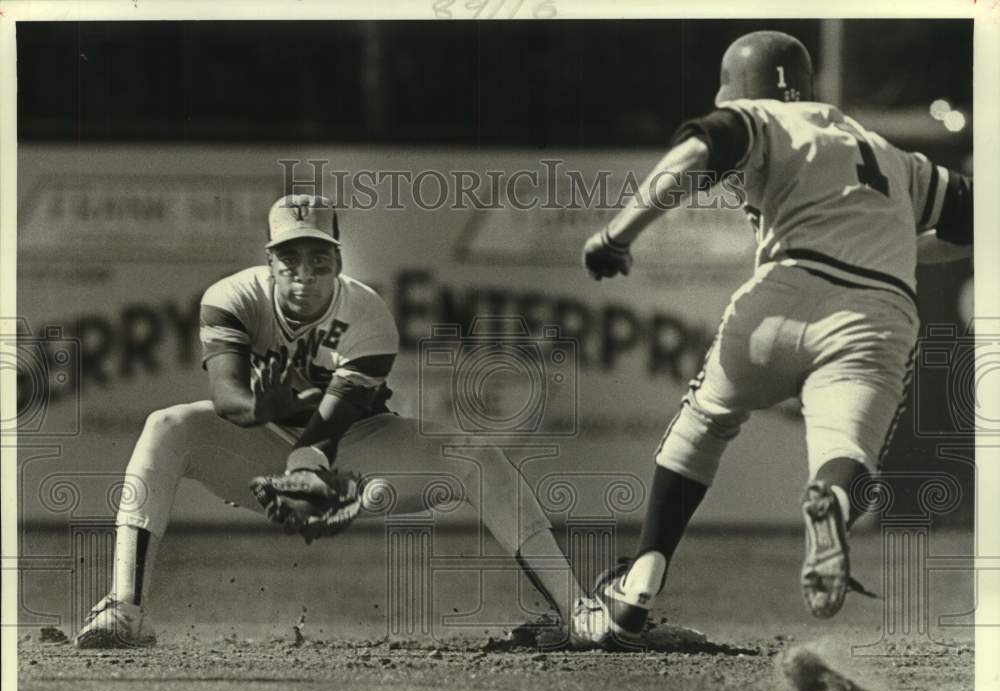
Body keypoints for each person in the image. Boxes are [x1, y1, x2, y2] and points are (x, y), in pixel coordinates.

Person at [75, 194, 613, 649]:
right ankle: (124, 607)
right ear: (270, 259)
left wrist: (308, 464)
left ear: (337, 259)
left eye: (318, 258)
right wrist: (268, 410)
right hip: (257, 445)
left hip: (360, 446)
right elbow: (229, 397)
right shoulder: (232, 298)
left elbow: (326, 432)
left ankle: (578, 611)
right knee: (166, 426)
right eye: (290, 259)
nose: (304, 273)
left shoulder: (368, 314)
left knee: (478, 456)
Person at [579, 31, 973, 639]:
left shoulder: (764, 115)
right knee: (847, 458)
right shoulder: (888, 153)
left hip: (784, 292)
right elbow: (975, 220)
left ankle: (638, 584)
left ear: (740, 86)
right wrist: (893, 248)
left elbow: (698, 150)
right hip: (876, 315)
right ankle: (831, 508)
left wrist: (618, 234)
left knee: (704, 423)